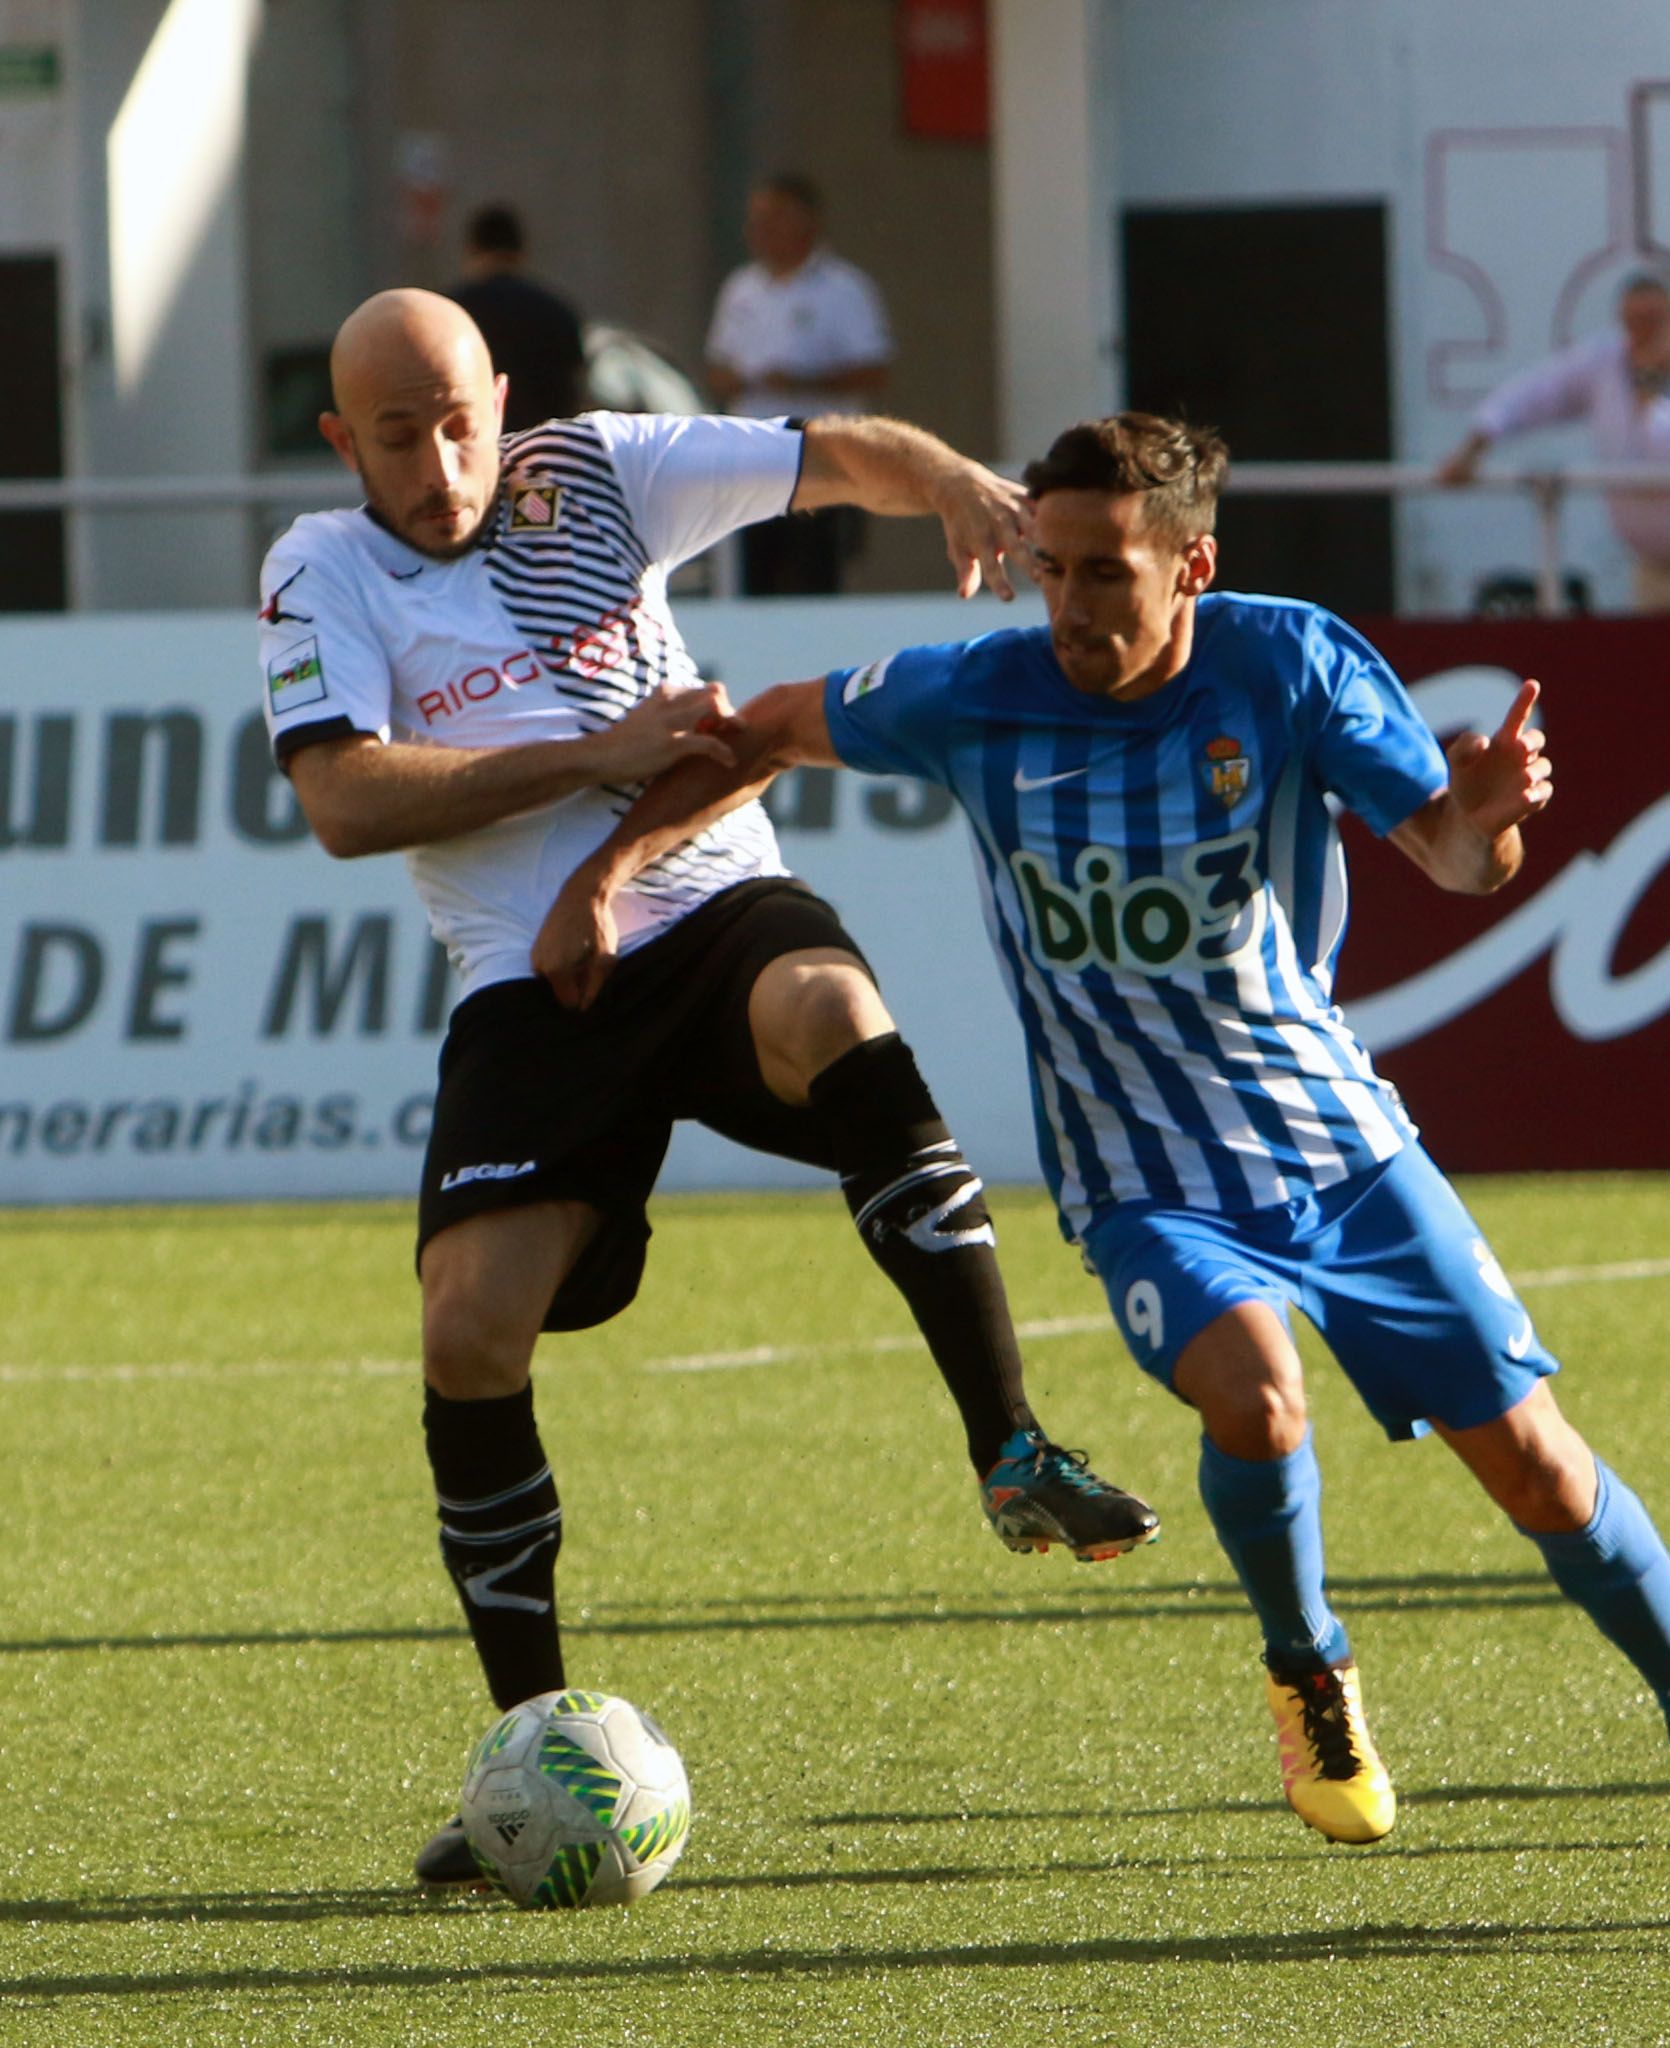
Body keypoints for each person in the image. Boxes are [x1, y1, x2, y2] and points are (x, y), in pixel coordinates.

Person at [540, 410, 1670, 1851]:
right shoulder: (977, 692)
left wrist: (1489, 817)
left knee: (1536, 1460)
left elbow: (1458, 856)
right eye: (1049, 567)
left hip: (1340, 1151)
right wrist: (607, 872)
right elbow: (768, 729)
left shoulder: (1286, 661)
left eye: (1104, 572)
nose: (1069, 604)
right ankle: (1311, 1674)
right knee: (1257, 1395)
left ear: (1192, 566)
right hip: (1143, 1181)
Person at [257, 290, 1161, 1889]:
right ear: (345, 442)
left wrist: (950, 479)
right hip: (528, 988)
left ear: (501, 396)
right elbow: (342, 797)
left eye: (460, 416)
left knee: (831, 1008)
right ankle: (533, 1756)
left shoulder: (598, 471)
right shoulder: (323, 566)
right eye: (398, 434)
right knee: (469, 1333)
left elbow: (838, 456)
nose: (441, 456)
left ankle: (1011, 1445)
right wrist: (590, 754)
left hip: (712, 901)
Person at [1437, 272, 1670, 612]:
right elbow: (1534, 394)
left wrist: (1649, 384)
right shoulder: (1604, 361)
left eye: (1654, 321)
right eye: (1634, 322)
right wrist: (1475, 445)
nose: (1644, 333)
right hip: (1653, 567)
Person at [705, 174, 893, 595]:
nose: (761, 230)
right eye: (756, 219)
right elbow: (717, 367)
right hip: (753, 459)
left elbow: (875, 370)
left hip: (823, 458)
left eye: (774, 218)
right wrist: (736, 381)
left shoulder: (845, 289)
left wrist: (802, 382)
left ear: (808, 223)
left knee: (816, 577)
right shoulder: (740, 289)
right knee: (755, 579)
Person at [441, 204, 585, 433]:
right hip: (548, 449)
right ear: (521, 251)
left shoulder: (450, 313)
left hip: (477, 450)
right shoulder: (556, 310)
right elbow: (575, 388)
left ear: (472, 249)